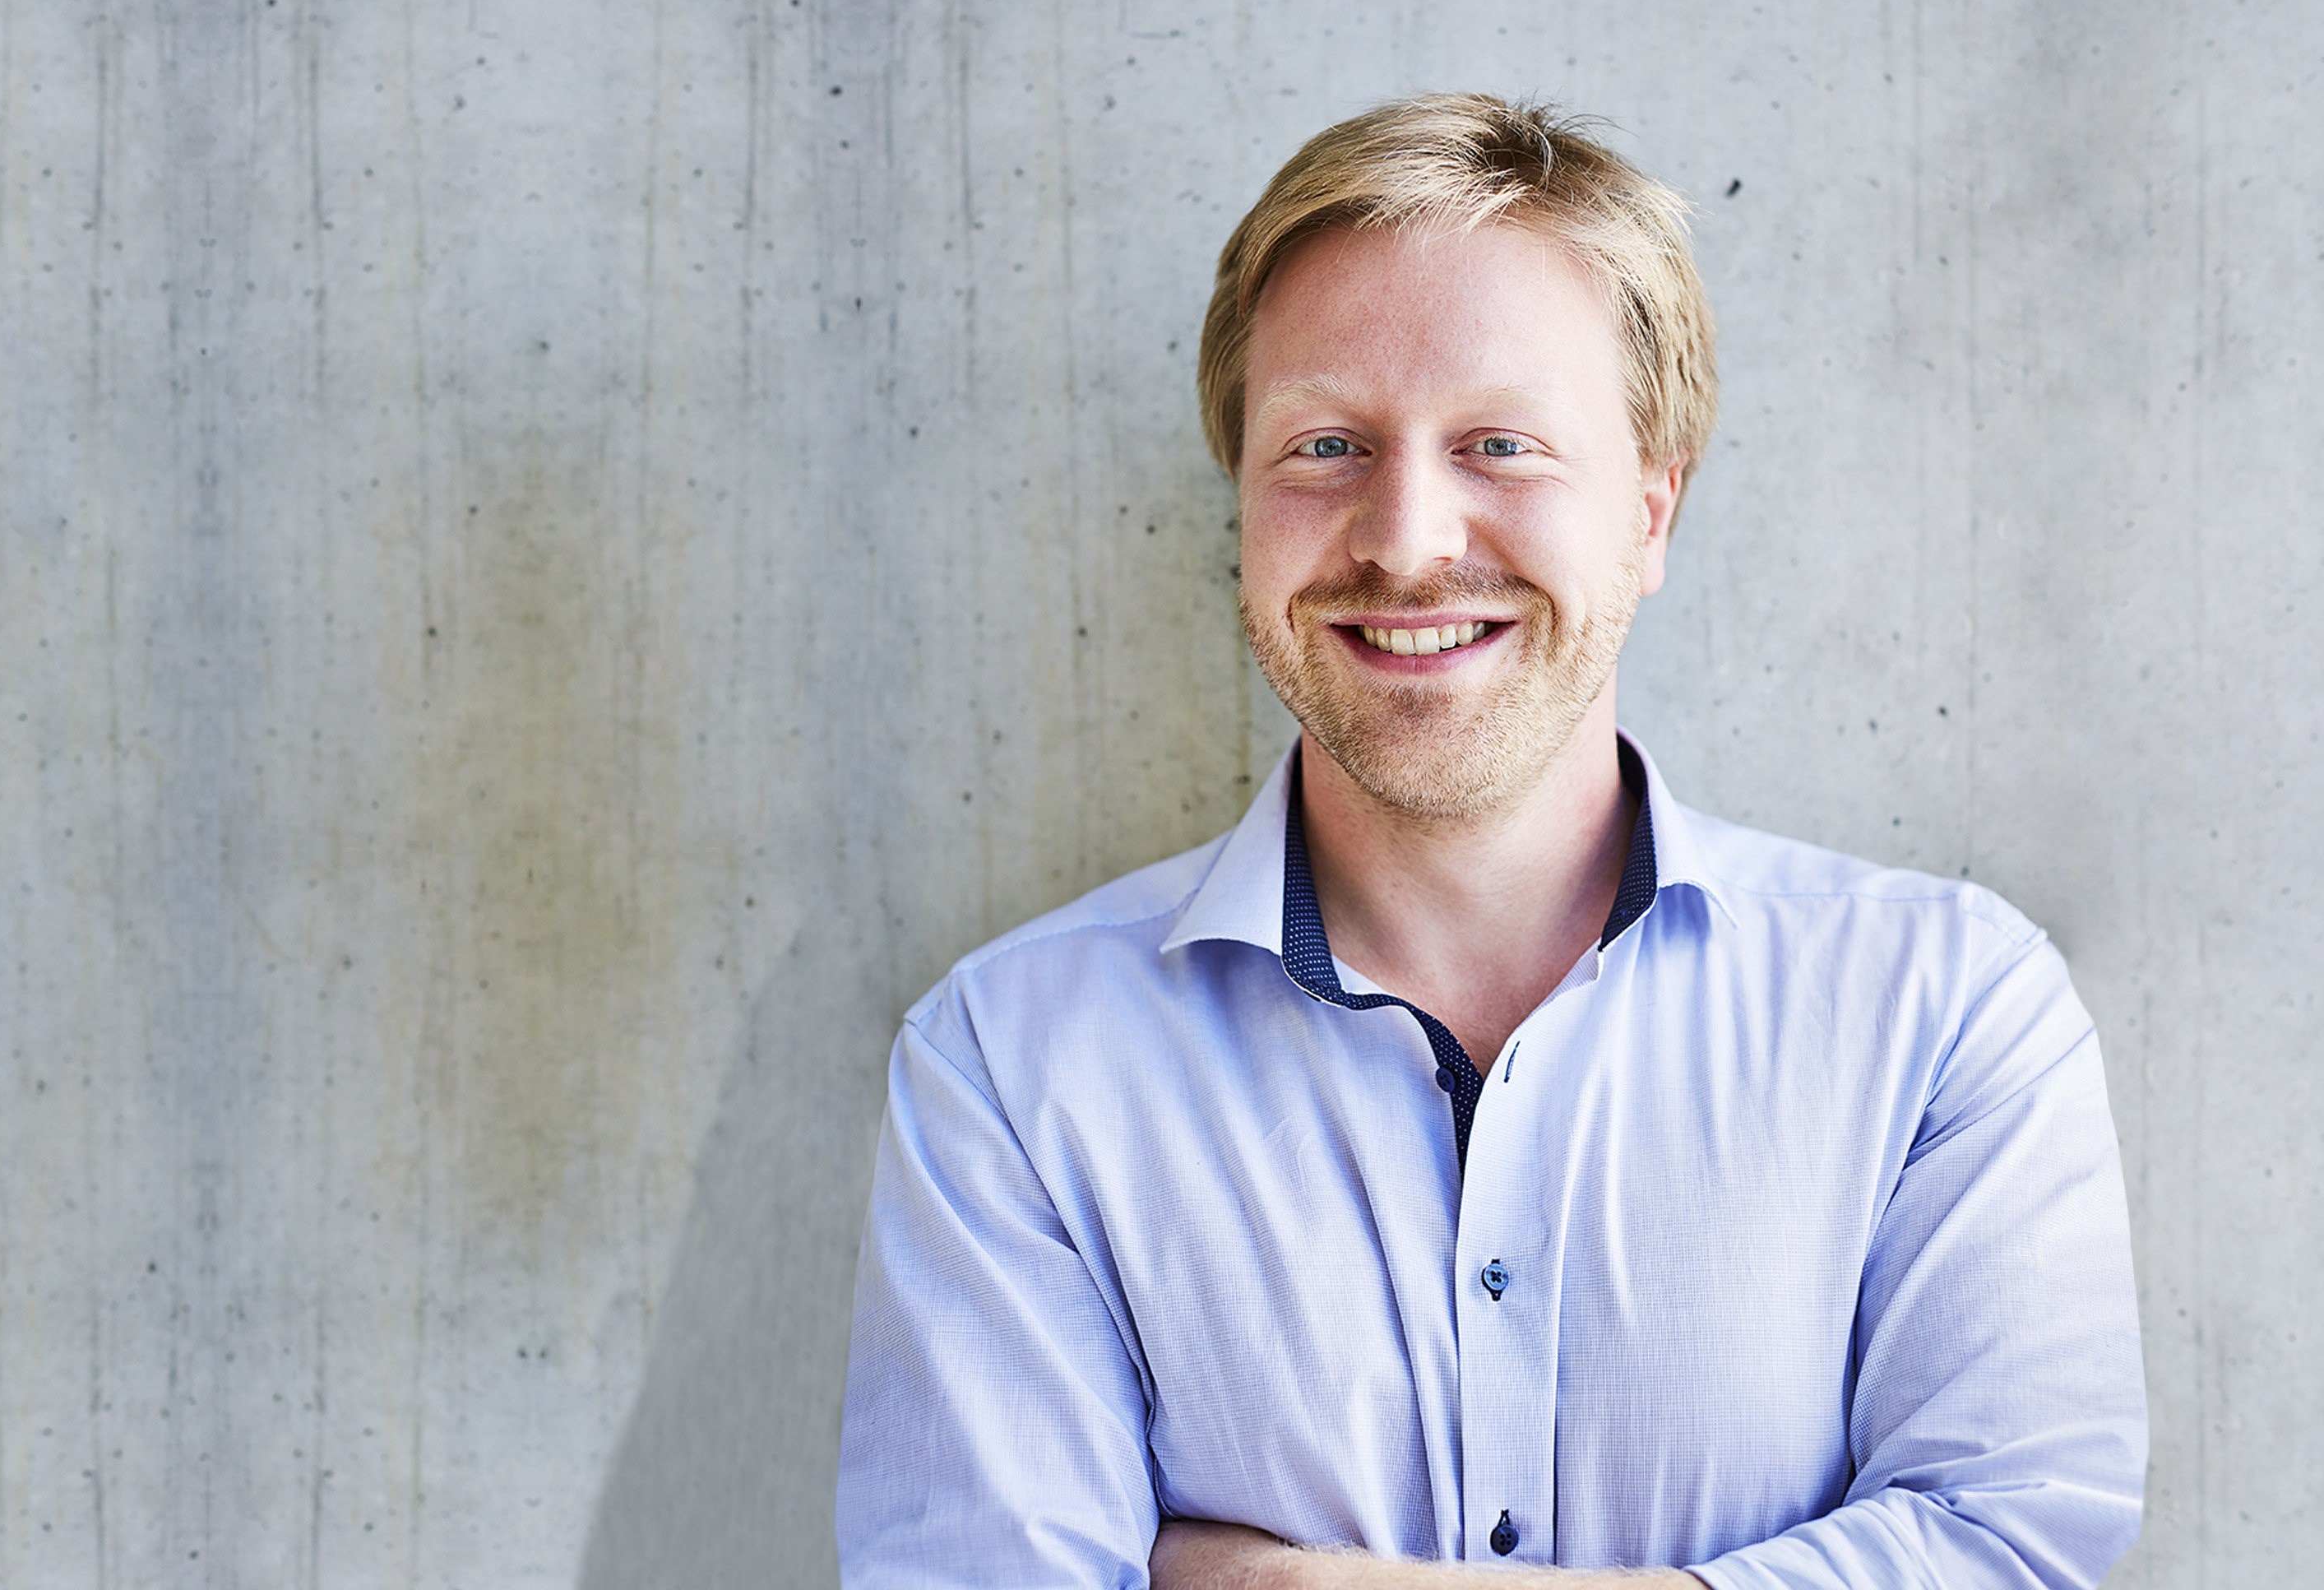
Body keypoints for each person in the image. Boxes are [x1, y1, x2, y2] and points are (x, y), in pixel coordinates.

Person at [834, 95, 2146, 1589]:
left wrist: (1279, 1582)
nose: (1405, 538)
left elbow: (2012, 1552)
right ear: (1242, 504)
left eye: (1502, 444)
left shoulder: (1947, 1012)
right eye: (1325, 445)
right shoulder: (1009, 1064)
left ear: (1653, 513)